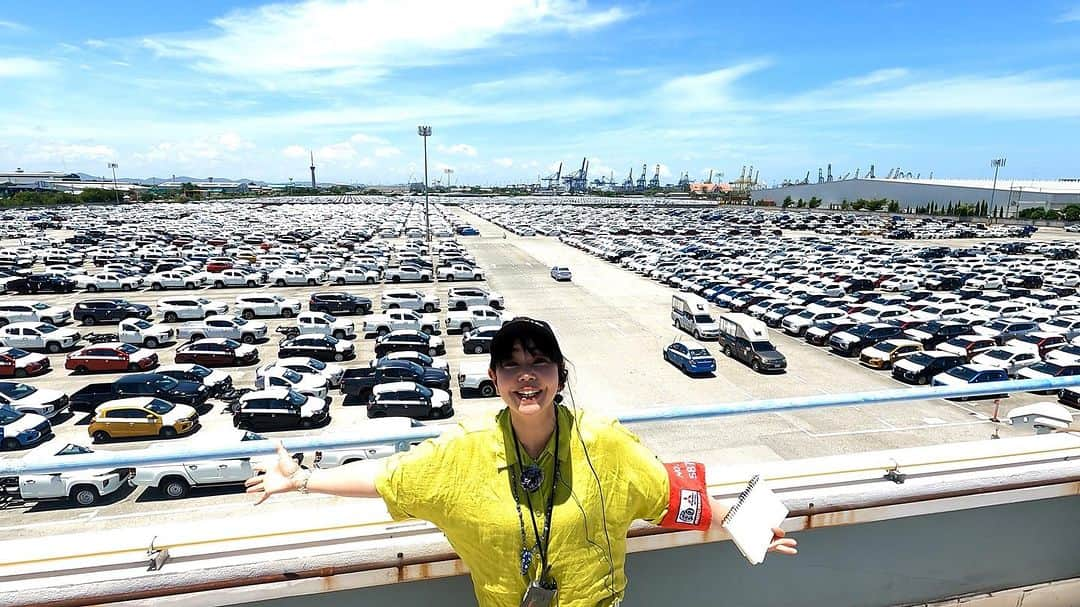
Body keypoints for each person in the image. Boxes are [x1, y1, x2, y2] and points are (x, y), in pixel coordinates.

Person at [246, 317, 797, 606]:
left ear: (560, 374)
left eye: (539, 362)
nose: (525, 374)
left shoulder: (603, 442)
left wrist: (740, 521)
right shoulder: (463, 450)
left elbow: (665, 494)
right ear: (494, 380)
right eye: (510, 366)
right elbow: (390, 477)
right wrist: (304, 480)